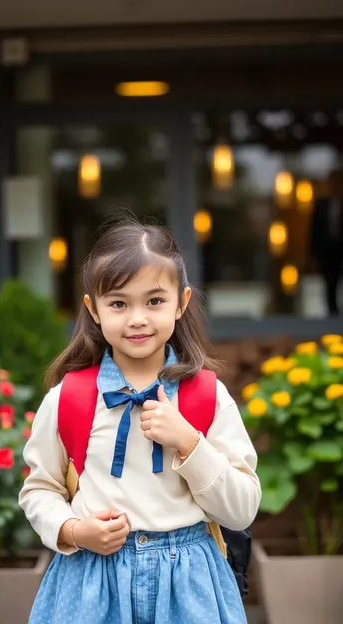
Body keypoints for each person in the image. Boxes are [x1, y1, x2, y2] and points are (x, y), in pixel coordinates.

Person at [19, 214, 261, 624]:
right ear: (93, 309)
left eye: (154, 301)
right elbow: (39, 489)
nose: (137, 318)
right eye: (118, 303)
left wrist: (189, 443)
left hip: (189, 585)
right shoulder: (68, 398)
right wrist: (74, 530)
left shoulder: (207, 396)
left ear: (181, 303)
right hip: (93, 582)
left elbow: (241, 510)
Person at [310, 169, 343, 315]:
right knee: (330, 282)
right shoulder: (322, 205)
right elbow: (315, 230)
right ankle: (332, 312)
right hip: (328, 251)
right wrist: (314, 253)